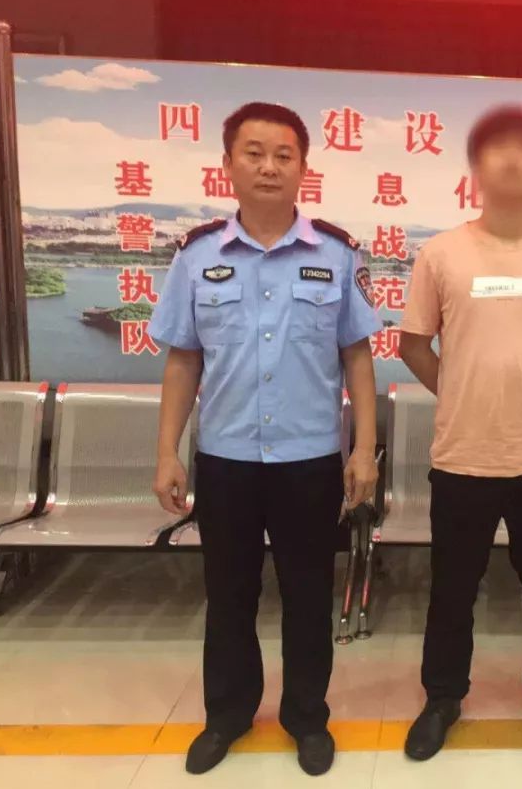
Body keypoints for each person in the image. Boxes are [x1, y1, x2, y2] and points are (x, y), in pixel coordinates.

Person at [149, 102, 381, 777]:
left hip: (309, 461)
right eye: (253, 153)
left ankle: (307, 717)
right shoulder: (198, 256)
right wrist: (167, 451)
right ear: (227, 165)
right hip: (226, 460)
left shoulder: (335, 254)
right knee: (229, 595)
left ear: (304, 168)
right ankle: (227, 714)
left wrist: (363, 449)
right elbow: (183, 359)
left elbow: (358, 356)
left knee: (308, 596)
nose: (269, 167)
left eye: (284, 155)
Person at [397, 106, 522, 761]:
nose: (512, 160)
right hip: (463, 456)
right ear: (476, 166)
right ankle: (442, 696)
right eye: (497, 148)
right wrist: (461, 390)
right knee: (452, 589)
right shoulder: (442, 252)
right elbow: (412, 343)